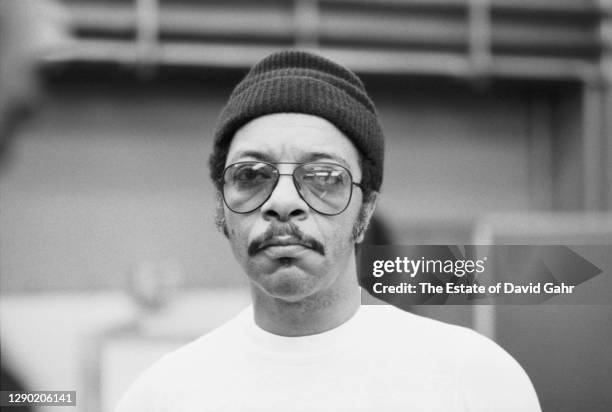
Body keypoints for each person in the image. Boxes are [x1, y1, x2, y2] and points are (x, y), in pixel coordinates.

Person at [116, 50, 541, 411]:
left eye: (323, 176)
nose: (283, 202)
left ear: (366, 208)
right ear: (221, 206)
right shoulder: (161, 397)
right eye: (250, 175)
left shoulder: (476, 382)